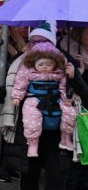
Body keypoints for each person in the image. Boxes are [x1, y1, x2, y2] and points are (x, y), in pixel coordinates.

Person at [1, 22, 72, 190]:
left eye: (43, 41)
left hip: (58, 131)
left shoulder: (65, 61)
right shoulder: (20, 63)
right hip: (28, 128)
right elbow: (12, 89)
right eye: (35, 41)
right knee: (29, 172)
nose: (38, 45)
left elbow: (79, 92)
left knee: (57, 175)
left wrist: (73, 76)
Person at [10, 26, 76, 158]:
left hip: (55, 99)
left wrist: (66, 98)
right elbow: (20, 81)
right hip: (35, 98)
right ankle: (33, 142)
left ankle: (66, 137)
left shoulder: (60, 70)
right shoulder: (28, 67)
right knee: (31, 115)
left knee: (70, 113)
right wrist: (17, 96)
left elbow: (64, 86)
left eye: (48, 65)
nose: (45, 67)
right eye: (34, 41)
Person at [57, 28, 88, 190]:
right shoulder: (69, 51)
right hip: (77, 109)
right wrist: (79, 69)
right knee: (75, 154)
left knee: (85, 156)